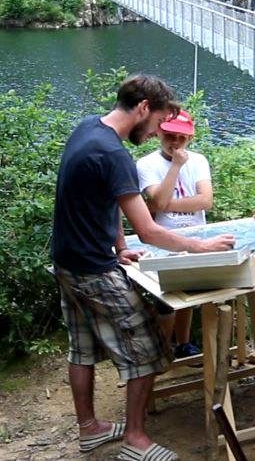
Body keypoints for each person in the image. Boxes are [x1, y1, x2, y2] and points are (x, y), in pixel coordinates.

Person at [52, 74, 235, 461]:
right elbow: (150, 230)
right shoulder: (114, 154)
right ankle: (136, 440)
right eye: (156, 124)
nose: (155, 134)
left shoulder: (89, 129)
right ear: (142, 109)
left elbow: (105, 202)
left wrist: (118, 245)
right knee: (150, 348)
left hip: (68, 260)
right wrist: (199, 246)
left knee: (82, 348)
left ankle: (90, 429)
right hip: (92, 269)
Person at [137, 110, 213, 359]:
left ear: (190, 137)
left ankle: (183, 343)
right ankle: (161, 351)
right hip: (164, 237)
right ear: (159, 132)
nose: (176, 143)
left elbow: (205, 201)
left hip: (196, 234)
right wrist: (176, 166)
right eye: (170, 136)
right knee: (166, 298)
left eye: (182, 137)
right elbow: (156, 200)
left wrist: (162, 203)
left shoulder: (199, 160)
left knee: (191, 292)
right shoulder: (146, 164)